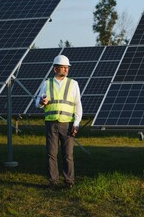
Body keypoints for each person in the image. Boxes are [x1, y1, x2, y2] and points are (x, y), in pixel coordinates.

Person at [36, 54, 83, 189]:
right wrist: (41, 102)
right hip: (51, 124)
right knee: (52, 154)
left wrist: (76, 124)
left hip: (67, 124)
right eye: (63, 67)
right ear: (55, 69)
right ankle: (53, 182)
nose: (66, 70)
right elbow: (36, 103)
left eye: (67, 67)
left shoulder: (73, 84)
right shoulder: (47, 83)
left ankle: (69, 181)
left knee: (68, 154)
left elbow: (78, 105)